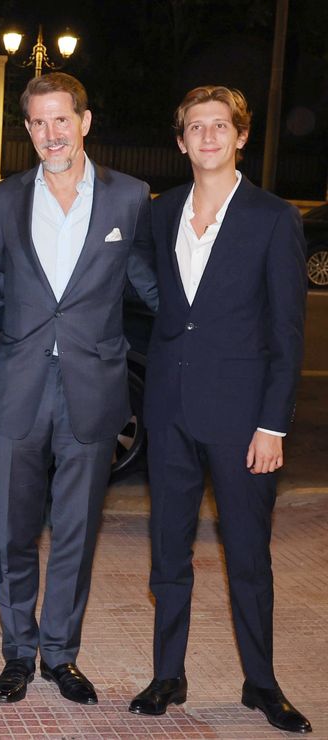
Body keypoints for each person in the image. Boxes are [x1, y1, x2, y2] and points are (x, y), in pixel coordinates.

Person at [128, 86, 310, 734]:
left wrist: (273, 423)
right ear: (180, 142)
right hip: (169, 411)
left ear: (239, 136)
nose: (207, 136)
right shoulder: (163, 211)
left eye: (220, 126)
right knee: (167, 553)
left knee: (248, 559)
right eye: (195, 127)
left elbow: (288, 333)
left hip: (242, 420)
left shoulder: (272, 217)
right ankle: (167, 674)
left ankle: (261, 683)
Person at [0, 72, 159, 706]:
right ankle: (16, 653)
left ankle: (60, 655)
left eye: (62, 120)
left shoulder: (130, 197)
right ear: (27, 128)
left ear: (84, 122)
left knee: (76, 532)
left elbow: (151, 286)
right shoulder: (6, 198)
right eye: (38, 122)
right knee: (10, 530)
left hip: (93, 388)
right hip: (19, 387)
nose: (51, 134)